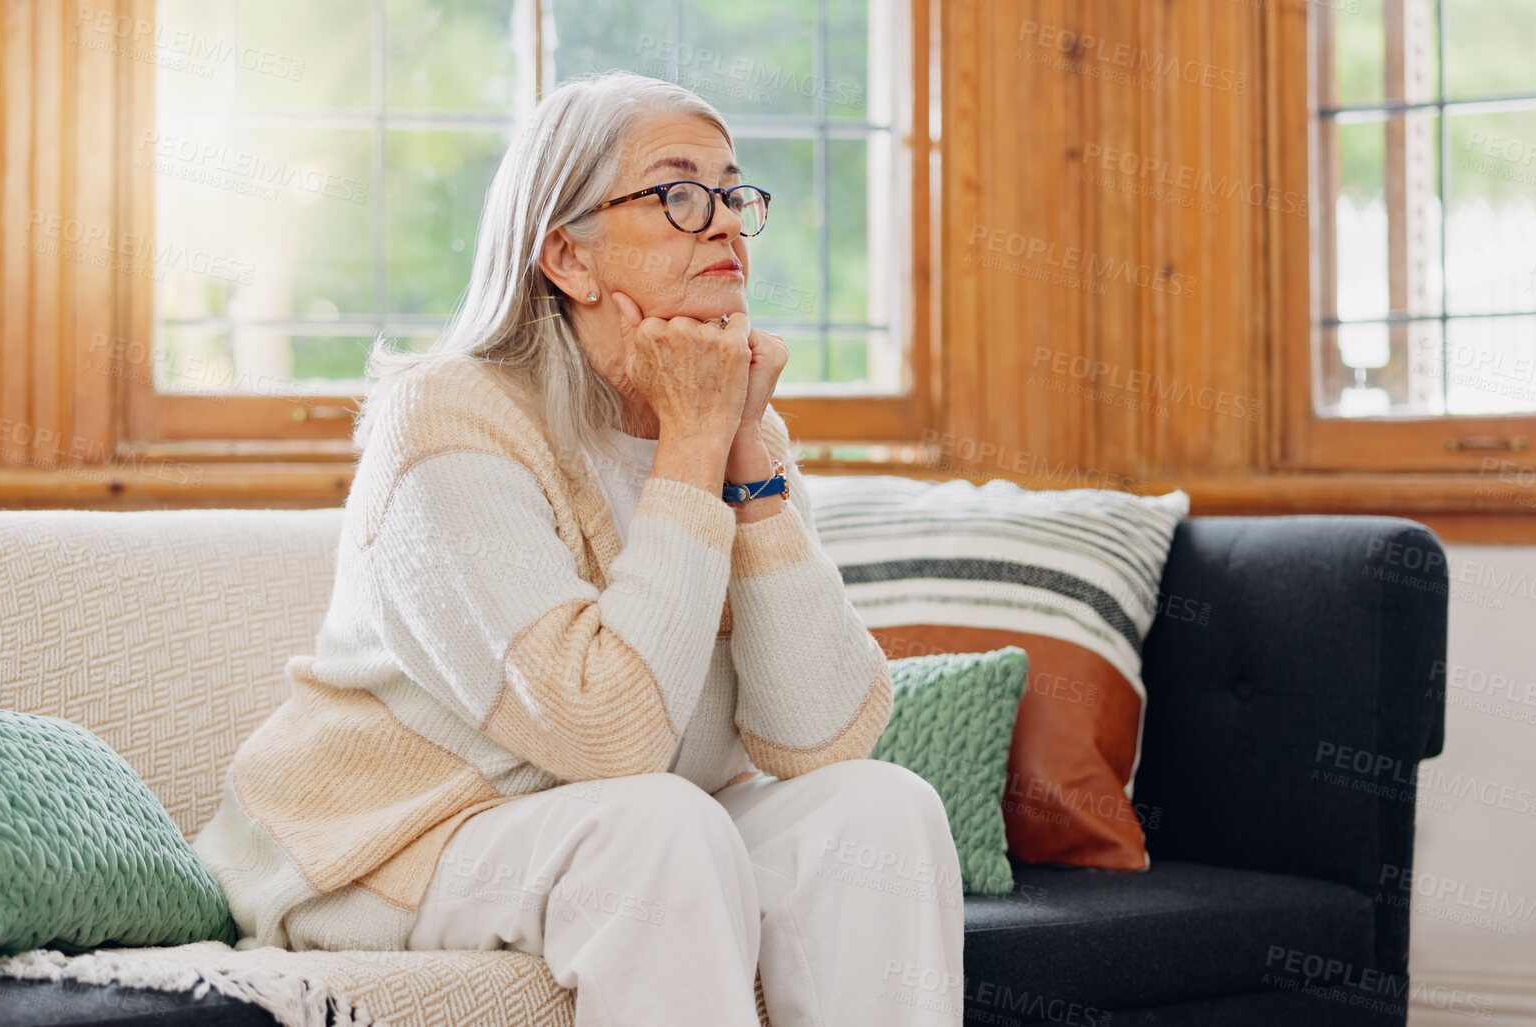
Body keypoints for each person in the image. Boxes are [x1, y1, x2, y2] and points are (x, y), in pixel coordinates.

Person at [194, 71, 964, 1027]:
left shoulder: (732, 422)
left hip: (618, 826)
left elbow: (823, 737)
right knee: (657, 825)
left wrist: (745, 460)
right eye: (677, 193)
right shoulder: (444, 418)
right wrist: (693, 444)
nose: (723, 221)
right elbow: (610, 738)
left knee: (879, 808)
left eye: (733, 193)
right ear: (567, 256)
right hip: (393, 845)